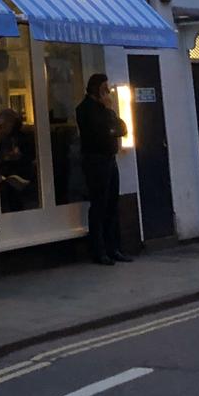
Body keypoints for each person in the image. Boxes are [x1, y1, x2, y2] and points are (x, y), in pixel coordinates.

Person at [76, 73, 131, 264]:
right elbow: (99, 132)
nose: (108, 92)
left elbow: (122, 129)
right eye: (104, 89)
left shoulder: (106, 109)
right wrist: (108, 116)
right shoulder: (84, 109)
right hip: (95, 161)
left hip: (110, 159)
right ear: (96, 89)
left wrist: (110, 117)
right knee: (99, 205)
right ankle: (99, 251)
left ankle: (113, 248)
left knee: (112, 203)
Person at [0, 108, 38, 211]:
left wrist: (17, 157)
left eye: (3, 124)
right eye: (0, 125)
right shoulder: (2, 140)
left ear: (12, 123)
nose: (1, 128)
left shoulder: (23, 138)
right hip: (6, 173)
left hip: (20, 173)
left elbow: (30, 157)